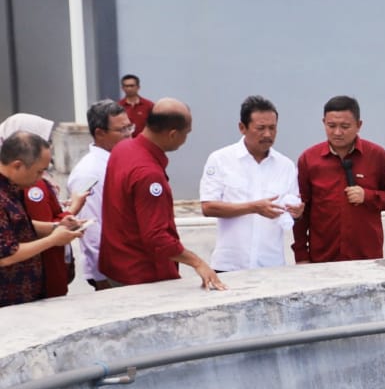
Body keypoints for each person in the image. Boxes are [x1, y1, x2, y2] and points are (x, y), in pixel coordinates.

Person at [99, 98, 225, 290]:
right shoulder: (149, 174)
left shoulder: (123, 148)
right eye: (186, 134)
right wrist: (197, 262)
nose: (186, 140)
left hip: (117, 267)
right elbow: (156, 237)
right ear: (173, 134)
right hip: (141, 277)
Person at [293, 95, 385, 263]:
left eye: (345, 126)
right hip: (323, 258)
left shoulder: (377, 156)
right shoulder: (308, 160)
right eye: (331, 126)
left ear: (359, 125)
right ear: (324, 123)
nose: (337, 132)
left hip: (366, 257)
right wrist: (301, 255)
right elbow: (301, 211)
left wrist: (368, 196)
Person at [200, 96, 302, 271]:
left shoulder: (285, 165)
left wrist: (297, 212)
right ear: (242, 127)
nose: (268, 134)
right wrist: (254, 207)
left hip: (272, 265)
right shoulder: (220, 159)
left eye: (272, 128)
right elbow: (208, 207)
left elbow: (292, 209)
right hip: (229, 265)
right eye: (260, 128)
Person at [0, 114, 86, 298]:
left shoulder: (13, 187)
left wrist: (58, 227)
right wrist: (53, 240)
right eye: (39, 172)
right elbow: (6, 255)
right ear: (17, 165)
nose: (40, 179)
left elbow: (19, 226)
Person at [67, 99, 132, 290]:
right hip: (111, 273)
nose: (129, 135)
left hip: (128, 265)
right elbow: (92, 229)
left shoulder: (120, 160)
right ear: (100, 133)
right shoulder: (89, 172)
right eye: (122, 130)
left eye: (130, 127)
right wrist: (103, 277)